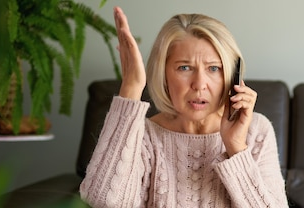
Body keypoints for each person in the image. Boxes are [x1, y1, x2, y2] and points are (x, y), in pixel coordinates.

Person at [79, 6, 289, 208]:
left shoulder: (256, 131)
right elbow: (103, 200)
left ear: (231, 75)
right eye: (185, 67)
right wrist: (131, 88)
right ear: (164, 74)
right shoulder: (143, 134)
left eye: (214, 68)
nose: (199, 84)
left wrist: (235, 147)